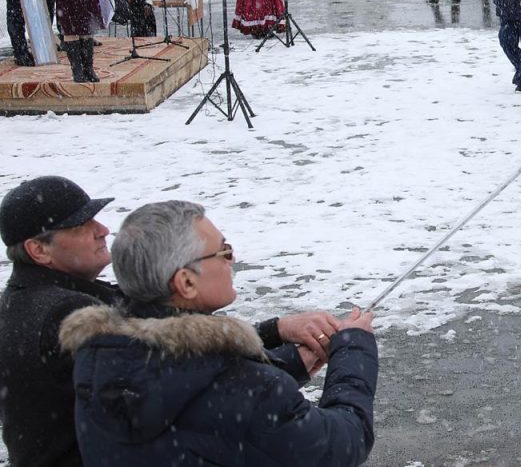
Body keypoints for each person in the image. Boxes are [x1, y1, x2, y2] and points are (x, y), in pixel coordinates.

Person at [59, 200, 378, 466]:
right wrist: (353, 352)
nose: (232, 259)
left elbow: (202, 407)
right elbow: (342, 445)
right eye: (223, 251)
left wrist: (291, 360)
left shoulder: (102, 355)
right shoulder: (249, 389)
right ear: (186, 282)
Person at [0, 176, 121, 467]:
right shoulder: (69, 312)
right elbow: (145, 401)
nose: (102, 230)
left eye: (96, 220)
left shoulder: (20, 301)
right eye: (81, 226)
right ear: (39, 250)